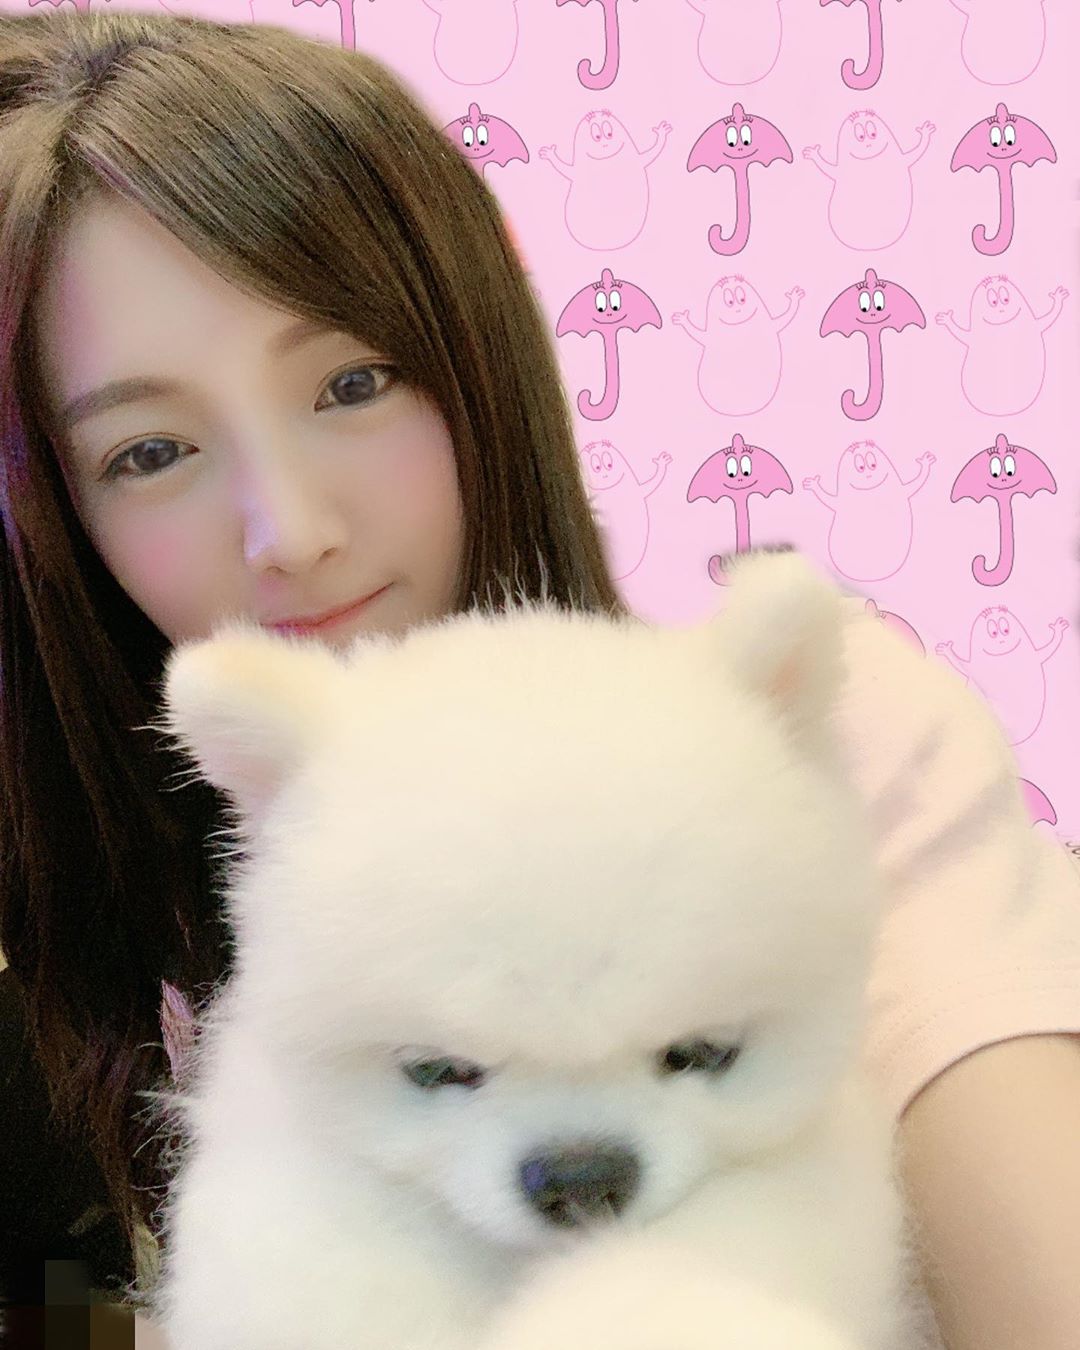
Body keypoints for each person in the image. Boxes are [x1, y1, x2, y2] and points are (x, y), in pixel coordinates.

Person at [0, 10, 1077, 1348]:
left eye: (353, 381)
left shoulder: (810, 738)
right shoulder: (132, 886)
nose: (293, 529)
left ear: (479, 348)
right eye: (151, 453)